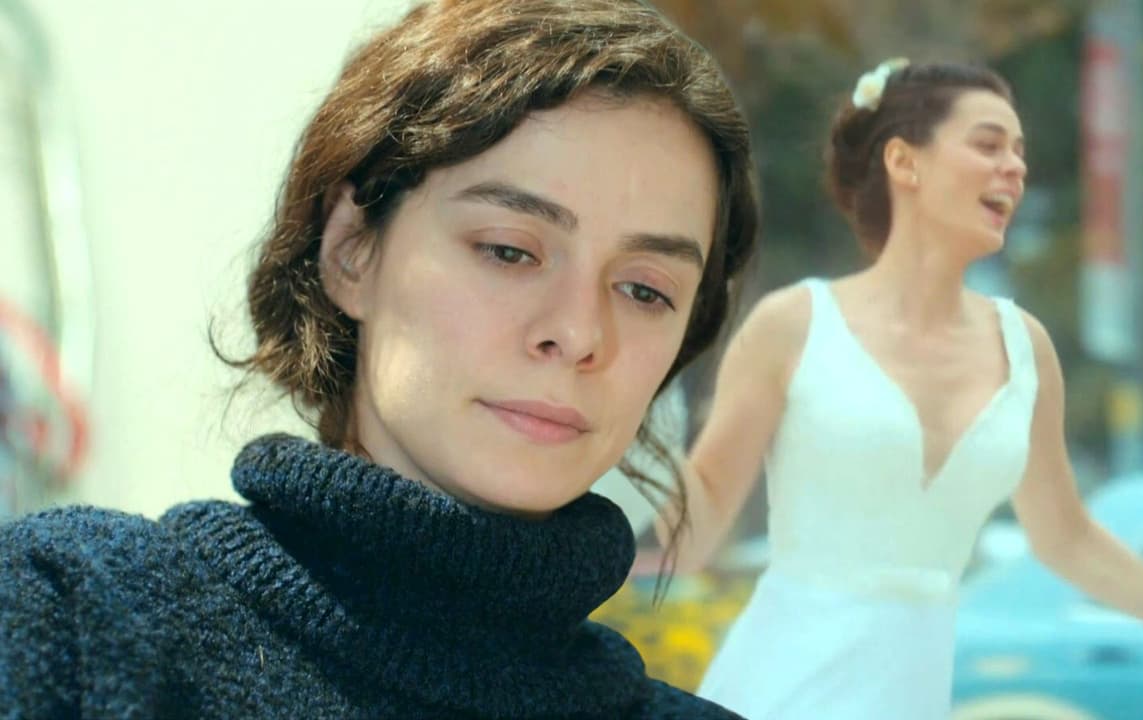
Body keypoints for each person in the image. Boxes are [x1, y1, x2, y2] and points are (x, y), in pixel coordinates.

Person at [0, 1, 760, 717]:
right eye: (508, 250)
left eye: (644, 290)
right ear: (351, 250)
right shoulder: (69, 616)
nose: (578, 331)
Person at [650, 58, 1143, 718]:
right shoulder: (794, 325)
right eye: (989, 144)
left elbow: (1069, 539)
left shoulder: (1024, 347)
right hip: (774, 691)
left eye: (1020, 152)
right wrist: (634, 396)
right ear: (904, 161)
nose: (1015, 168)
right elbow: (692, 536)